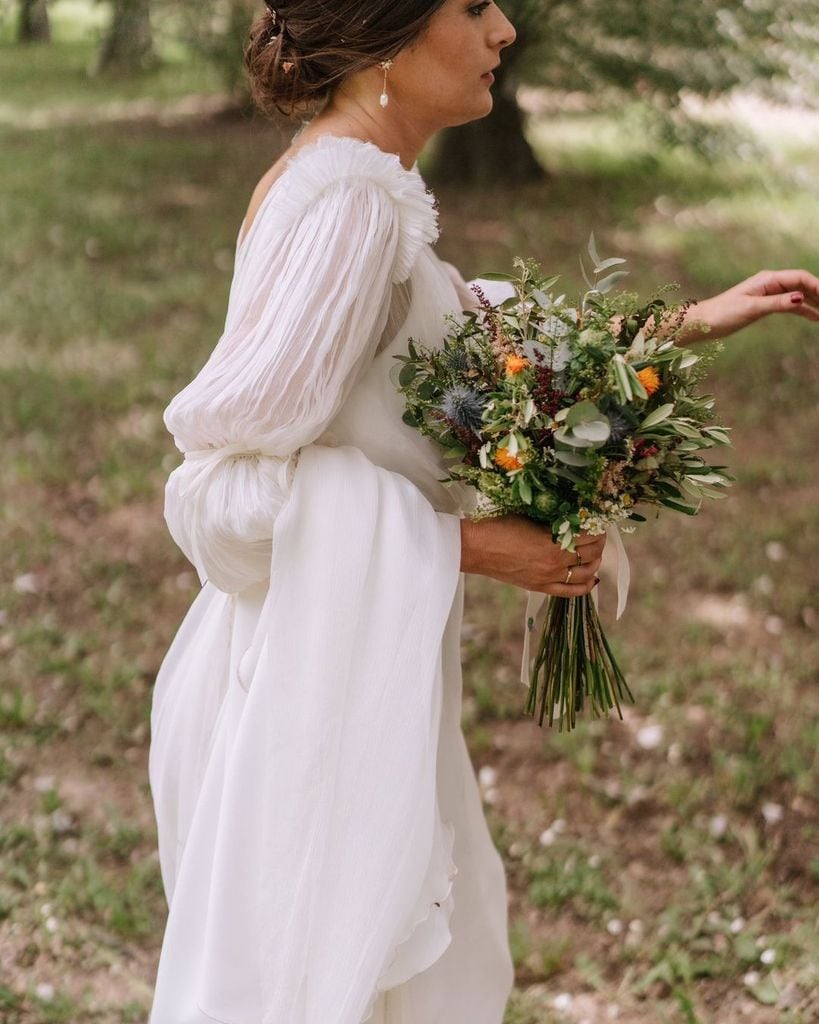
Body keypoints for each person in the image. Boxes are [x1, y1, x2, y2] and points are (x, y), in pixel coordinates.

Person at [146, 2, 819, 1022]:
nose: (504, 29)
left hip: (343, 661)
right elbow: (222, 492)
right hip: (294, 694)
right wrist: (467, 545)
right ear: (385, 32)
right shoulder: (347, 212)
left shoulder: (364, 183)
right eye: (471, 5)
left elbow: (472, 332)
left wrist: (684, 323)